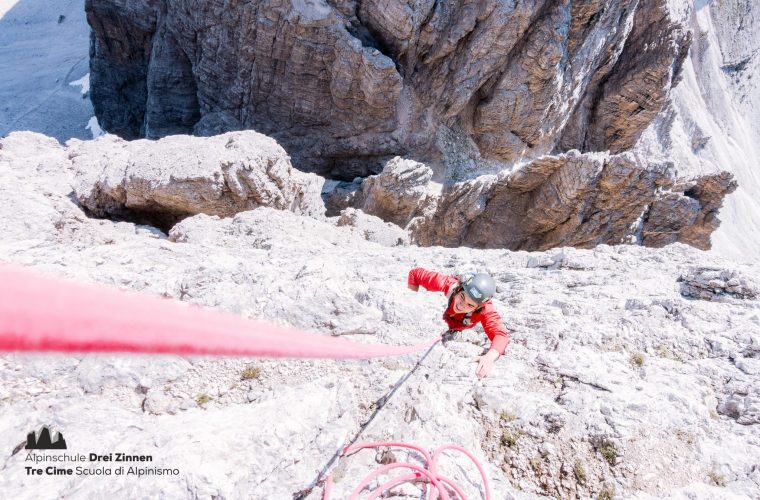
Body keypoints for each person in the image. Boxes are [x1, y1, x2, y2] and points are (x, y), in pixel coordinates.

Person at [408, 267, 509, 379]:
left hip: (454, 328)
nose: (461, 305)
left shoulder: (485, 309)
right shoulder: (446, 284)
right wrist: (412, 301)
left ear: (477, 308)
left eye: (470, 305)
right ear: (458, 289)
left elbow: (501, 335)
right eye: (462, 297)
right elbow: (415, 273)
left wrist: (489, 357)